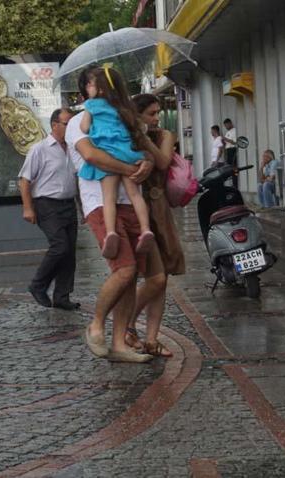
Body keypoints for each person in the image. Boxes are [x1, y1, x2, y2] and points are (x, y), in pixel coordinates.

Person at [68, 69, 158, 363]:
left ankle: (119, 343)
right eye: (90, 83)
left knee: (132, 277)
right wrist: (131, 168)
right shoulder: (76, 121)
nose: (96, 87)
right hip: (99, 202)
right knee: (125, 269)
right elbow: (93, 156)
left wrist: (145, 162)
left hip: (131, 203)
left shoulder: (123, 115)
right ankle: (96, 323)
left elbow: (146, 151)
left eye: (99, 82)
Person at [122, 93, 186, 358]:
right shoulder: (126, 137)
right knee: (152, 277)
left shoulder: (165, 136)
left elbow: (162, 161)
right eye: (151, 113)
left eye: (158, 112)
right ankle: (126, 324)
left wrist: (145, 135)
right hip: (136, 208)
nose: (157, 118)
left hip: (159, 208)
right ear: (136, 115)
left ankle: (150, 337)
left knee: (163, 278)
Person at [77, 66, 155, 260]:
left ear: (100, 89)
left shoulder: (92, 105)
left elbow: (84, 128)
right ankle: (145, 230)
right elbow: (140, 128)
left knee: (108, 198)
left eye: (91, 84)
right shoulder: (124, 106)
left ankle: (111, 233)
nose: (88, 88)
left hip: (108, 155)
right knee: (135, 195)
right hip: (128, 154)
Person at [19, 108, 80, 310]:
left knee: (69, 252)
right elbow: (25, 180)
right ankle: (38, 285)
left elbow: (76, 179)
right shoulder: (40, 149)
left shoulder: (73, 148)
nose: (71, 127)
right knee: (60, 246)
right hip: (47, 203)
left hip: (68, 204)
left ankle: (62, 296)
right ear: (54, 125)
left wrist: (82, 207)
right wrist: (28, 208)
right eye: (67, 123)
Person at [222, 118, 239, 188]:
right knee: (229, 169)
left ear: (230, 123)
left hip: (233, 150)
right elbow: (226, 143)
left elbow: (235, 142)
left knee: (234, 167)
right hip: (228, 151)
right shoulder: (227, 133)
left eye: (227, 125)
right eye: (225, 126)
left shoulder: (234, 131)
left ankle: (235, 184)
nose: (226, 127)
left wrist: (225, 139)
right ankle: (232, 183)